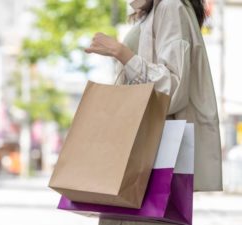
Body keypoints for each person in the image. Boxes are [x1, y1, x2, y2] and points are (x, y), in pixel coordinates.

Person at [85, 0, 222, 224]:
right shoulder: (153, 11)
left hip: (151, 156)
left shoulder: (171, 6)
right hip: (137, 154)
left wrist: (121, 53)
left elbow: (174, 87)